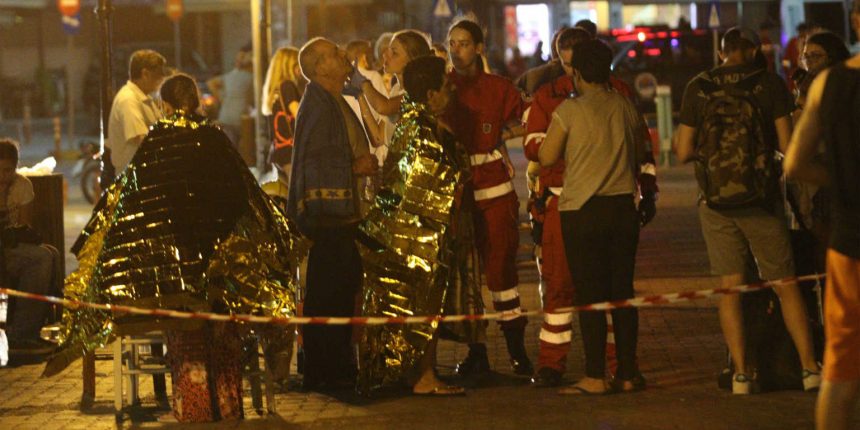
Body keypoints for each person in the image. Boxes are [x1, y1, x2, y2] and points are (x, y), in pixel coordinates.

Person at [46, 73, 303, 423]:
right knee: (222, 332)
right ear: (196, 102)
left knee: (186, 330)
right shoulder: (215, 138)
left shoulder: (157, 143)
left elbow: (135, 208)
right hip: (223, 275)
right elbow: (244, 198)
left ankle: (195, 411)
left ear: (165, 105)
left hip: (172, 284)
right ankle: (228, 408)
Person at [674, 27, 820, 394]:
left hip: (715, 203)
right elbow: (788, 145)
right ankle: (808, 368)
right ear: (754, 51)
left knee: (729, 289)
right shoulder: (769, 84)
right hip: (761, 200)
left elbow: (682, 151)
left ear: (721, 52)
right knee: (785, 284)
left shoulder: (698, 87)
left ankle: (740, 374)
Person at [538, 39, 648, 395]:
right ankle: (627, 373)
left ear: (578, 73)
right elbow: (639, 149)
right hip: (622, 209)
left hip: (582, 212)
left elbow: (546, 156)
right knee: (622, 294)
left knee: (590, 295)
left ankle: (595, 375)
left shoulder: (569, 111)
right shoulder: (625, 106)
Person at [357, 55, 466, 396]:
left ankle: (408, 372)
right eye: (446, 87)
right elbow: (436, 190)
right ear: (431, 94)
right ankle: (425, 375)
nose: (451, 92)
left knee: (402, 305)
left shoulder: (408, 122)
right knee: (424, 305)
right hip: (420, 240)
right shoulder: (428, 132)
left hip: (395, 234)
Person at [287, 37, 379, 391]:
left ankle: (336, 365)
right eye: (333, 54)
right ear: (319, 67)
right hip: (327, 219)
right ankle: (325, 370)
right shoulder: (318, 106)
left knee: (341, 289)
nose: (342, 57)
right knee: (328, 292)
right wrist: (354, 167)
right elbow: (316, 160)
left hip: (340, 217)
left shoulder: (332, 99)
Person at [443, 19, 532, 378]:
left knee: (501, 271)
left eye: (464, 43)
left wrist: (503, 134)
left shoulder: (498, 87)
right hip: (458, 194)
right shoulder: (442, 87)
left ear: (479, 48)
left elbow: (531, 118)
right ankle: (476, 351)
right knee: (466, 275)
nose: (456, 50)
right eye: (451, 43)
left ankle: (516, 350)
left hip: (494, 192)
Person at [785, 6, 860, 429]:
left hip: (850, 243)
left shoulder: (829, 85)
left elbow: (794, 163)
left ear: (856, 21)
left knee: (841, 373)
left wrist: (841, 178)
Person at [0, 139, 62, 355]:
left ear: (15, 168)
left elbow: (24, 226)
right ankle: (21, 333)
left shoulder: (22, 186)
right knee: (41, 259)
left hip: (10, 245)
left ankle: (33, 326)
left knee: (51, 254)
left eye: (7, 171)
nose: (2, 176)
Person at [106, 49, 168, 174]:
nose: (162, 78)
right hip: (134, 178)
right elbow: (140, 138)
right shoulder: (129, 100)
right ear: (145, 74)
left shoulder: (144, 98)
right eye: (159, 74)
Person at [261, 47, 303, 181]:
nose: (301, 70)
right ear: (290, 66)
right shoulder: (287, 85)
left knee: (288, 191)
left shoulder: (275, 90)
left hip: (279, 153)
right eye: (298, 64)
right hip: (291, 152)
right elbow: (299, 113)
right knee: (299, 191)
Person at [208, 44, 254, 151]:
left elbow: (211, 83)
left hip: (225, 118)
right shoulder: (250, 77)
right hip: (240, 121)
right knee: (243, 151)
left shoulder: (231, 76)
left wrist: (221, 98)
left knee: (228, 150)